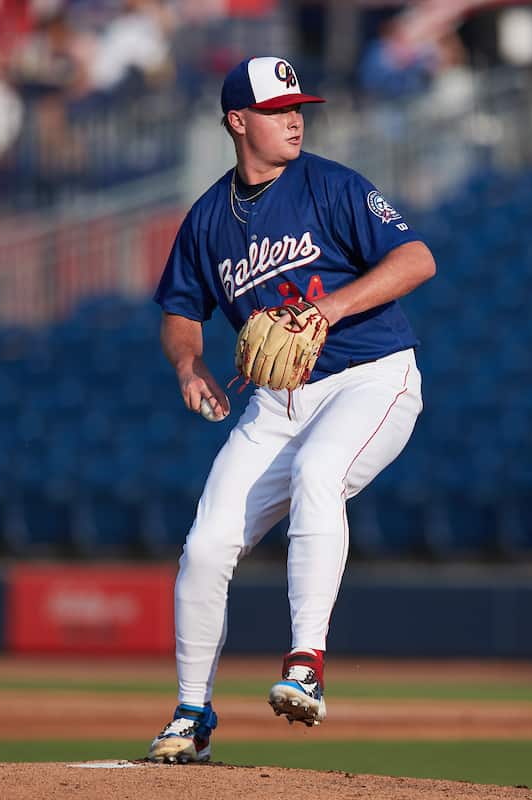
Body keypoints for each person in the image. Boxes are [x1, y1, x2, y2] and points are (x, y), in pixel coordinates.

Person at [147, 55, 435, 763]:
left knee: (318, 474)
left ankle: (306, 664)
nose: (295, 118)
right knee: (208, 542)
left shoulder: (332, 185)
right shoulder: (209, 217)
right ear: (238, 122)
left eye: (298, 107)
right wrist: (190, 364)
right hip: (276, 402)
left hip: (370, 377)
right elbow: (181, 309)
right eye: (278, 111)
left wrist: (327, 310)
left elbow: (417, 259)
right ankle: (190, 714)